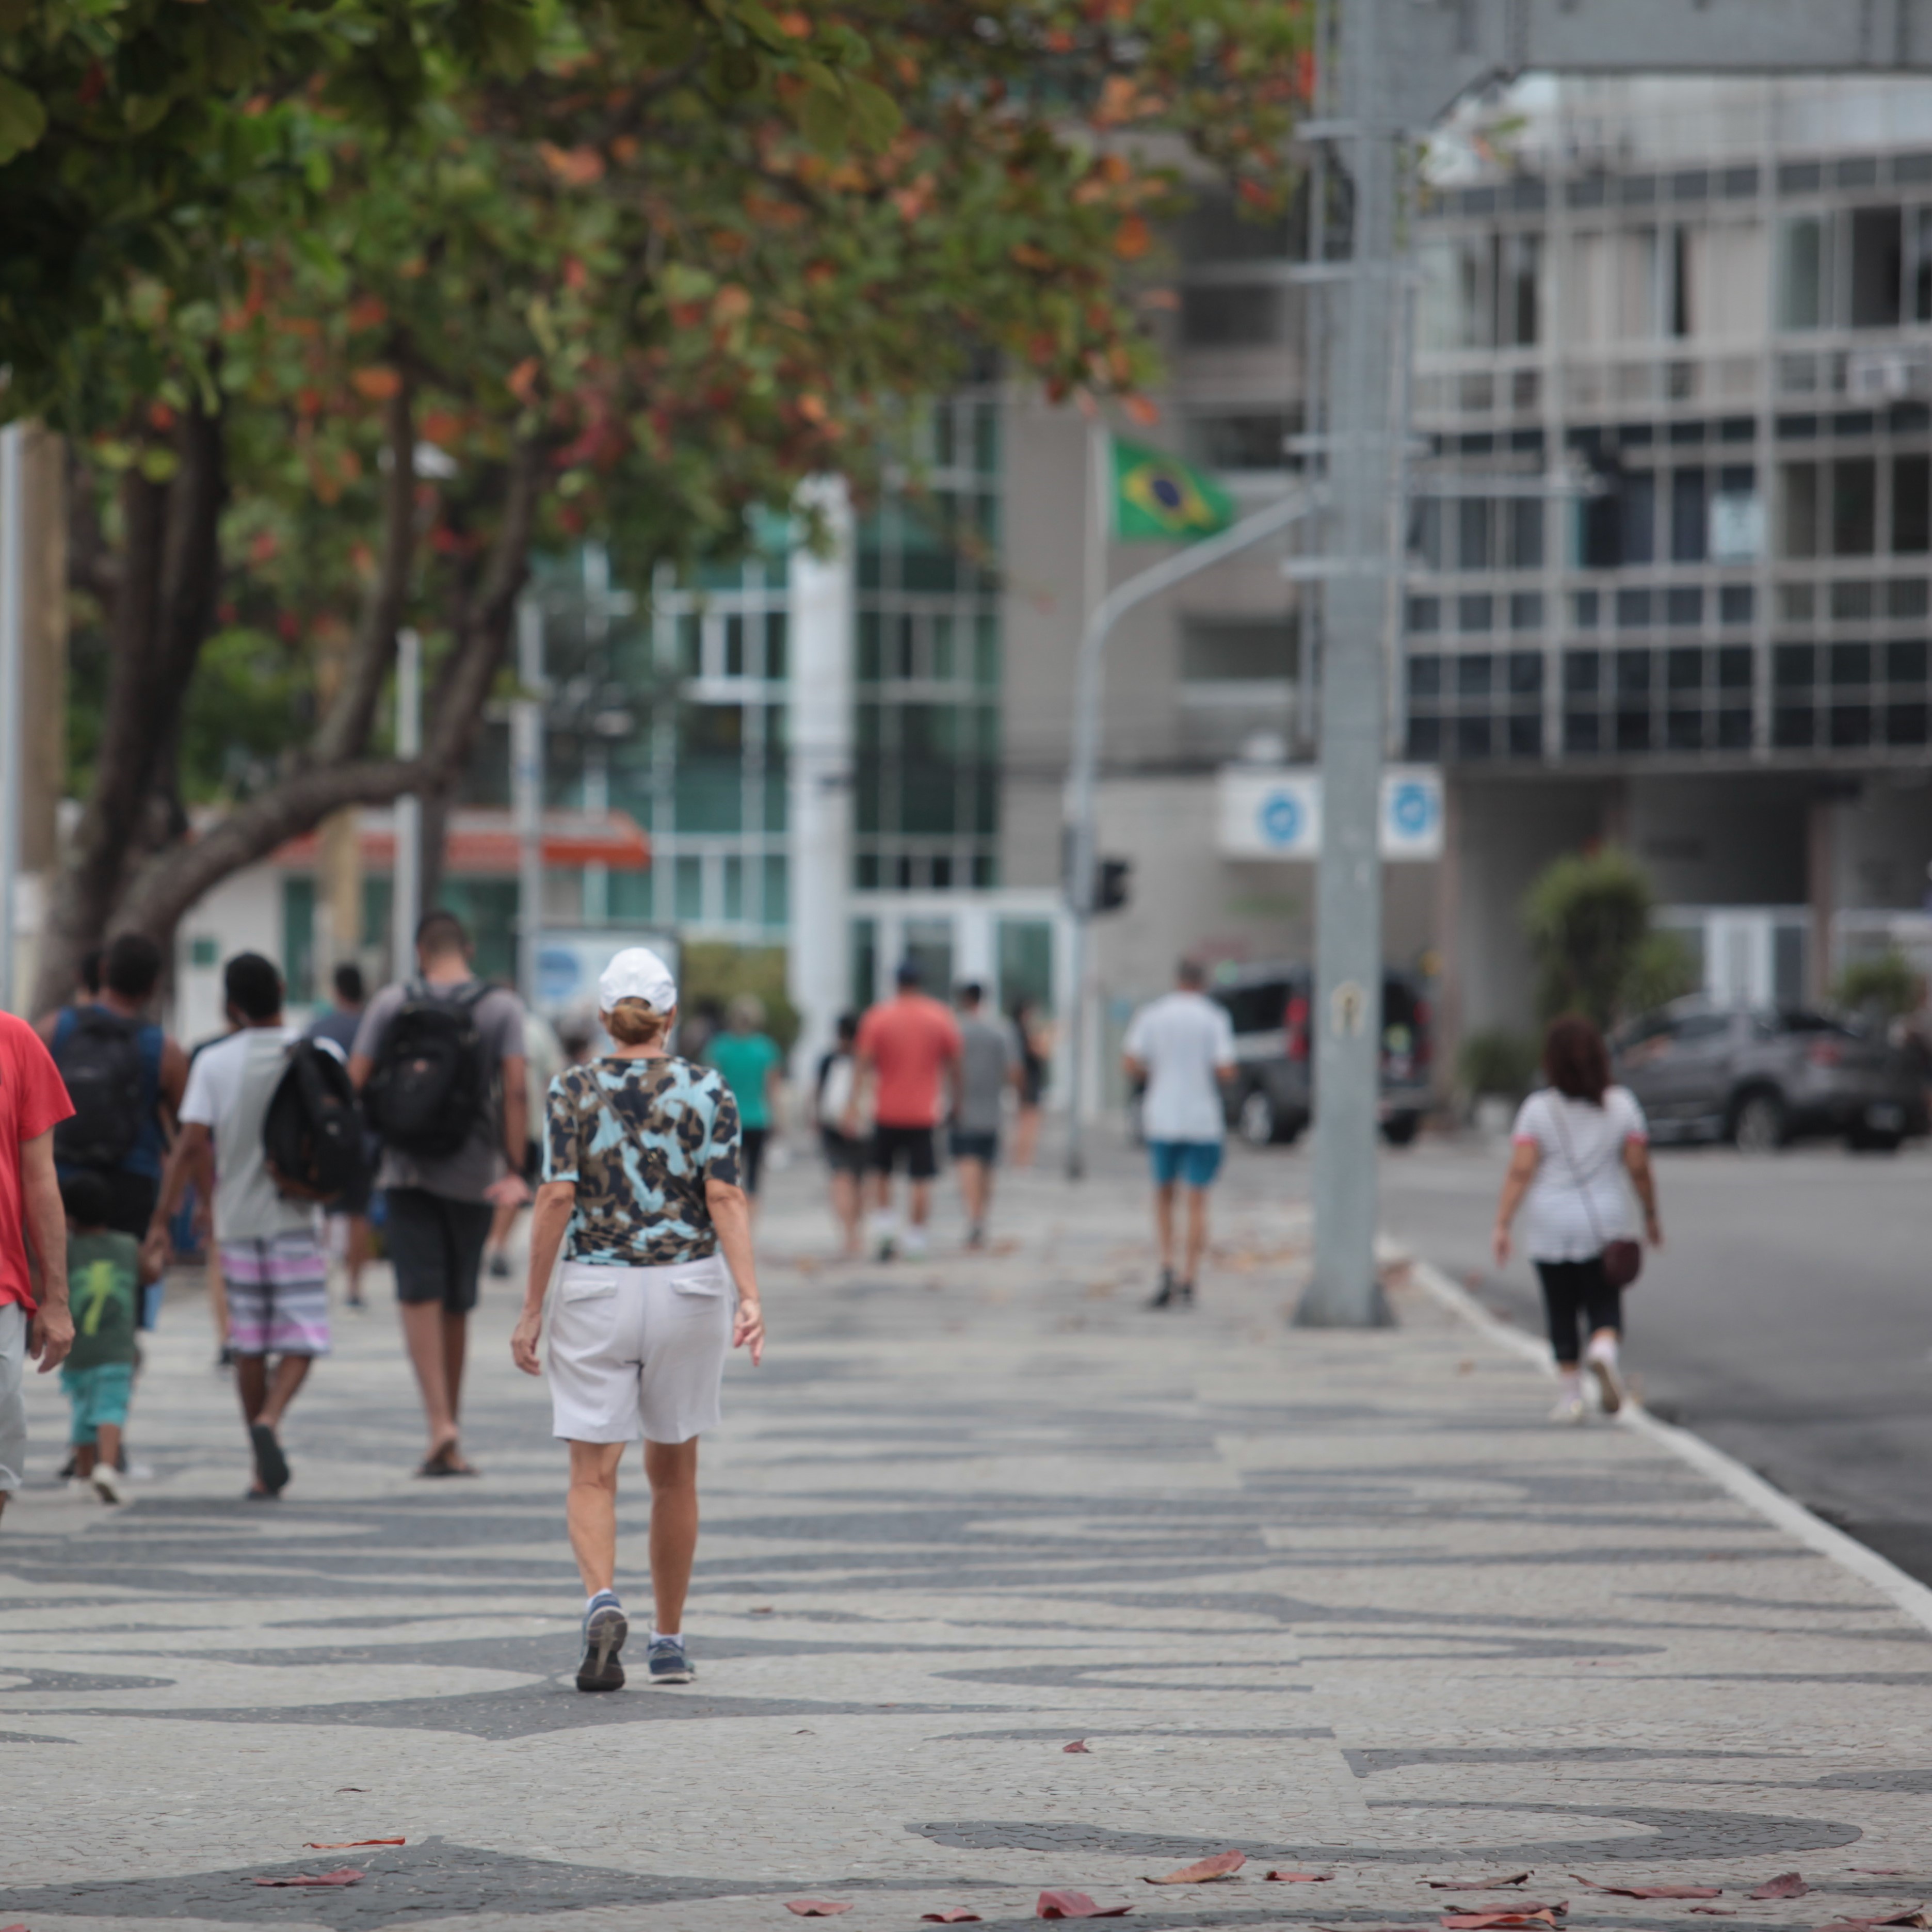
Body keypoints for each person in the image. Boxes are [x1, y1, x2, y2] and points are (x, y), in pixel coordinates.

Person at [509, 947, 764, 1693]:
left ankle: (600, 1601)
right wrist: (749, 1295)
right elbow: (726, 1198)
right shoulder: (708, 1088)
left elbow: (556, 1198)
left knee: (593, 1472)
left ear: (603, 1016)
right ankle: (670, 1641)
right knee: (674, 1469)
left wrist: (532, 1306)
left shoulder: (571, 1089)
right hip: (687, 1290)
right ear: (672, 1014)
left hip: (596, 1291)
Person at [349, 910, 528, 1477]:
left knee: (416, 1296)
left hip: (406, 1168)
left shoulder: (391, 1003)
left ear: (421, 951)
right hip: (474, 1171)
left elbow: (354, 1081)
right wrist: (516, 1166)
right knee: (457, 1300)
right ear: (467, 948)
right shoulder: (501, 1007)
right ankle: (452, 1426)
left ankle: (438, 1424)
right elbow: (517, 1090)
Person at [146, 953, 327, 1499]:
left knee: (249, 1343)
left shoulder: (215, 1062)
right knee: (303, 1338)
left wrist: (165, 1217)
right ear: (282, 986)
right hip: (297, 1216)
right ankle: (272, 1418)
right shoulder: (317, 1053)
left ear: (231, 1005)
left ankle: (257, 1458)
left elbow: (189, 1145)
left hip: (238, 1219)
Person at [1492, 1013, 1662, 1424]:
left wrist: (1503, 1223)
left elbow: (1521, 1171)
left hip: (1551, 1224)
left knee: (1560, 1307)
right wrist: (1652, 1216)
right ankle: (1603, 1351)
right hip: (1604, 1221)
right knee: (1604, 1304)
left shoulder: (1537, 1110)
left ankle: (1571, 1398)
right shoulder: (1622, 1106)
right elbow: (1638, 1168)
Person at [40, 932, 189, 1243]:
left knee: (58, 1280)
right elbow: (188, 1134)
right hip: (131, 1184)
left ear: (104, 970)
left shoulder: (56, 1028)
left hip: (59, 1178)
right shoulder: (164, 1049)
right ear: (152, 985)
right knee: (122, 1284)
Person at [1122, 959, 1236, 1309]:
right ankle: (1190, 1277)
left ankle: (1166, 1266)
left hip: (1162, 1116)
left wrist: (1157, 1075)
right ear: (1202, 982)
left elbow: (1129, 1062)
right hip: (1202, 1119)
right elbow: (1226, 1069)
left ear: (1177, 981)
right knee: (1198, 1201)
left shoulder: (1153, 1014)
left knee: (1163, 1196)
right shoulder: (1214, 1017)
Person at [0, 1012, 75, 1524]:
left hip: (0, 1290)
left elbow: (40, 1178)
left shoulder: (15, 1040)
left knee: (2, 1457)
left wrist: (56, 1299)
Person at [848, 960, 962, 1261]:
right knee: (921, 1178)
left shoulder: (878, 1017)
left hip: (886, 1110)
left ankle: (886, 1231)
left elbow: (862, 1064)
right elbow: (955, 1065)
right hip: (924, 1112)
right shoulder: (939, 1017)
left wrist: (852, 1105)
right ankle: (916, 1239)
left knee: (882, 1173)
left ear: (895, 983)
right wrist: (956, 1100)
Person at [59, 1169, 149, 1504]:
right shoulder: (127, 1246)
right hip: (118, 1350)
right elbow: (151, 1273)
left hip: (78, 1349)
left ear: (68, 1216)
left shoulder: (66, 1250)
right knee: (111, 1407)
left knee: (82, 1410)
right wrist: (157, 1251)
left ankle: (84, 1473)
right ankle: (107, 1467)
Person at [306, 962, 373, 1308]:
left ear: (336, 990)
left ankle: (322, 1274)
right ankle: (355, 1286)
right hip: (365, 1132)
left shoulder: (319, 1027)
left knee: (327, 1207)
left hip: (326, 1131)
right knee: (359, 1211)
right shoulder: (372, 1026)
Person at [487, 1004, 565, 1280]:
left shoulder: (479, 1024)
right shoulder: (534, 1028)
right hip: (525, 1125)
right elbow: (553, 1076)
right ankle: (497, 1243)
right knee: (513, 1179)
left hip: (479, 1124)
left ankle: (492, 1242)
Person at [951, 983, 1019, 1250]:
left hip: (962, 1107)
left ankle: (974, 1217)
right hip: (992, 1108)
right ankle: (982, 1216)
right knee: (987, 1166)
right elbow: (1014, 1070)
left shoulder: (955, 1030)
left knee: (967, 1163)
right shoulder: (1001, 1030)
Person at [705, 994, 784, 1206]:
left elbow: (710, 1088)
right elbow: (772, 1089)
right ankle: (750, 1228)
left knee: (727, 1177)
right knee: (754, 1179)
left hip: (726, 1119)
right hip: (758, 1118)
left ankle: (731, 1222)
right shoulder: (765, 1048)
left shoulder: (719, 1047)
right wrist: (778, 1117)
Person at [812, 1013, 866, 1258]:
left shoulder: (828, 1059)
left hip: (833, 1124)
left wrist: (814, 1119)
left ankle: (847, 1235)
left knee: (840, 1178)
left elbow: (817, 1093)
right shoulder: (868, 1058)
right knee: (862, 1180)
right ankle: (859, 1232)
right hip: (865, 1124)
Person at [1009, 997, 1051, 1170]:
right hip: (1029, 1081)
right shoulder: (1023, 1033)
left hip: (1028, 1080)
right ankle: (1023, 1160)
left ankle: (1023, 1159)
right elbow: (1042, 1052)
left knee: (1026, 1122)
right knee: (1029, 1123)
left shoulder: (1018, 1032)